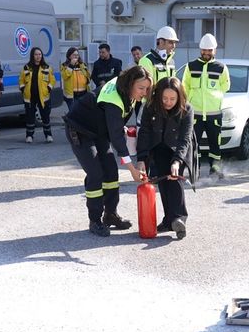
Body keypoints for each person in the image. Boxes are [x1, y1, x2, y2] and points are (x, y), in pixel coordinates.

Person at [63, 66, 149, 236]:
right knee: (96, 173)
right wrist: (132, 169)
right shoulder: (114, 99)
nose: (144, 92)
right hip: (79, 130)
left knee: (110, 171)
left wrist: (118, 126)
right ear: (131, 83)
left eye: (146, 88)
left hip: (98, 131)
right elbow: (117, 139)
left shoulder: (126, 89)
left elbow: (113, 124)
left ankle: (110, 215)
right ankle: (94, 220)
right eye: (141, 88)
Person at [136, 77, 196, 239]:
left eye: (172, 99)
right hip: (159, 147)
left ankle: (179, 218)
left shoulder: (187, 109)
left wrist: (177, 160)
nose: (168, 102)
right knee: (163, 182)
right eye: (164, 98)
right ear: (158, 96)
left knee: (175, 179)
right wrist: (141, 158)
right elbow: (145, 133)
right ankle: (169, 220)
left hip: (179, 149)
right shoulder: (150, 107)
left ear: (179, 98)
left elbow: (185, 138)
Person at [181, 33, 230, 178]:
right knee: (193, 144)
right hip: (194, 114)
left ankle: (214, 169)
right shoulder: (190, 66)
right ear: (200, 49)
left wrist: (214, 98)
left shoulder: (221, 67)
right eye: (204, 50)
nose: (206, 53)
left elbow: (225, 86)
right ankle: (193, 171)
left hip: (214, 114)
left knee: (215, 144)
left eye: (209, 50)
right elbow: (185, 87)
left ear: (215, 50)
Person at [19, 47, 56, 143]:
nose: (38, 56)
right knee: (30, 117)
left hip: (43, 96)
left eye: (40, 54)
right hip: (29, 97)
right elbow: (21, 80)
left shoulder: (46, 67)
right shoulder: (26, 67)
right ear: (32, 55)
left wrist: (49, 88)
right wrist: (23, 89)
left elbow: (52, 80)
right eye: (36, 54)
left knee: (45, 116)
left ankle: (48, 135)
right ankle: (29, 136)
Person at [60, 47, 91, 112]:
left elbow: (88, 76)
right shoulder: (64, 65)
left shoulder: (82, 65)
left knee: (82, 112)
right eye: (74, 55)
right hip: (71, 94)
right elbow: (65, 76)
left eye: (77, 55)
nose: (76, 56)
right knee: (73, 112)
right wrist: (71, 65)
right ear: (69, 56)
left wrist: (87, 80)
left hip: (83, 93)